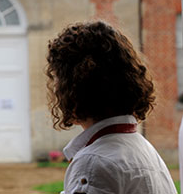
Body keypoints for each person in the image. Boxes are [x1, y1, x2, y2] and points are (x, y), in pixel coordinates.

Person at [46, 20, 176, 194]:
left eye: (57, 78)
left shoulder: (94, 161)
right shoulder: (144, 149)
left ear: (73, 88)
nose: (55, 87)